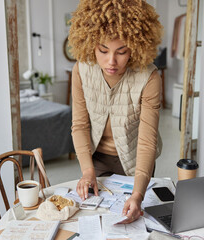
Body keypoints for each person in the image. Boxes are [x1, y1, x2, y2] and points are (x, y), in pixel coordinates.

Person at [68, 0, 163, 223]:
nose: (111, 61)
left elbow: (147, 142)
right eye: (103, 50)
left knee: (135, 218)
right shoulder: (81, 70)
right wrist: (87, 171)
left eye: (122, 52)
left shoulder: (149, 77)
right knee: (94, 218)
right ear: (90, 43)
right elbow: (80, 125)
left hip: (135, 159)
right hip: (97, 158)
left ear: (136, 47)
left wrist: (138, 194)